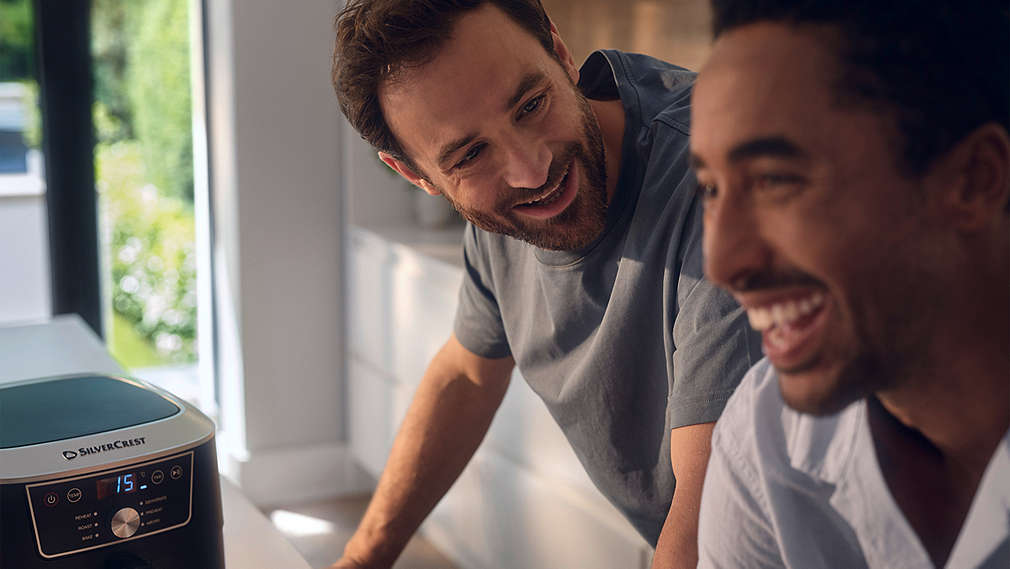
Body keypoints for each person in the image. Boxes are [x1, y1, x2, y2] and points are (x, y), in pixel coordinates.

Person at [329, 1, 761, 567]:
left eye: (531, 105)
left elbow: (711, 518)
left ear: (560, 53)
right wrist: (361, 558)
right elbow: (466, 374)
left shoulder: (721, 180)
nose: (531, 170)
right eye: (471, 154)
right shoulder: (502, 216)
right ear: (416, 174)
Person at [689, 0, 1010, 567]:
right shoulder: (762, 445)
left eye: (774, 180)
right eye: (711, 189)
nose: (722, 263)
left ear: (972, 181)